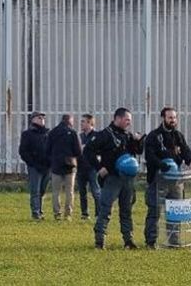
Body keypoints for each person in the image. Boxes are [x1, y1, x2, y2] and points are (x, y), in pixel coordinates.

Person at [83, 107, 145, 249]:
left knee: (126, 210)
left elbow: (138, 151)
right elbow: (88, 151)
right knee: (105, 209)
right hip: (112, 178)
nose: (129, 122)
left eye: (130, 120)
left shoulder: (128, 135)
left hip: (127, 179)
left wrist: (138, 141)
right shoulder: (104, 135)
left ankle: (128, 241)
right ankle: (100, 240)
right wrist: (99, 168)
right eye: (126, 120)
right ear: (117, 118)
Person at [144, 107, 191, 248]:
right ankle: (151, 241)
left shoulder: (178, 135)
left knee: (175, 211)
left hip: (176, 180)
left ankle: (174, 241)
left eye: (174, 118)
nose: (173, 120)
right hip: (158, 180)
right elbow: (149, 156)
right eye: (170, 118)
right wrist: (161, 165)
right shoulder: (153, 136)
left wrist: (190, 161)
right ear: (163, 118)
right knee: (155, 211)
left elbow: (185, 150)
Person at [46, 114, 82, 220]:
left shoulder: (52, 132)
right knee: (69, 191)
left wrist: (53, 158)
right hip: (69, 166)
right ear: (70, 121)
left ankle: (57, 213)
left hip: (56, 165)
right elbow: (78, 151)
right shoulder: (73, 133)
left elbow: (47, 149)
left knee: (56, 191)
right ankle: (68, 214)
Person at [18, 111, 50, 221]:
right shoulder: (27, 134)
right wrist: (32, 163)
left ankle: (40, 210)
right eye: (39, 118)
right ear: (33, 119)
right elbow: (23, 151)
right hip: (35, 167)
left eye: (43, 118)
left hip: (47, 167)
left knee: (42, 190)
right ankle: (35, 212)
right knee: (35, 191)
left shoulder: (47, 133)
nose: (42, 120)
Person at [76, 114, 101, 220]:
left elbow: (100, 150)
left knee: (95, 190)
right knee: (82, 191)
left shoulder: (97, 136)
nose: (81, 123)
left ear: (90, 123)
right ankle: (84, 213)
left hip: (92, 167)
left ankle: (98, 213)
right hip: (81, 167)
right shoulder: (80, 136)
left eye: (83, 121)